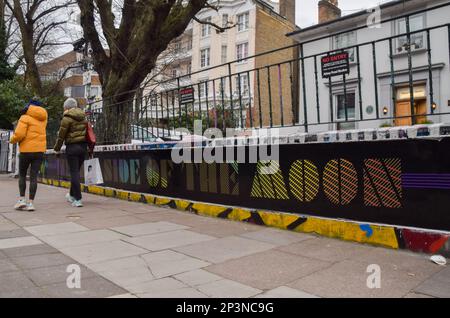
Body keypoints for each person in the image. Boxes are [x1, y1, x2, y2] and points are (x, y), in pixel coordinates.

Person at [10, 99, 48, 211]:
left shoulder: (24, 117)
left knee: (22, 175)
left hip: (26, 151)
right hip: (39, 151)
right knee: (33, 176)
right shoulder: (44, 118)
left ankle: (22, 200)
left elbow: (19, 134)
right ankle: (31, 203)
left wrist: (12, 140)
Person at [54, 98, 87, 207]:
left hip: (72, 147)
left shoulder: (66, 118)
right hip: (83, 147)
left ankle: (78, 199)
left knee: (74, 173)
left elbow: (61, 136)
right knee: (76, 172)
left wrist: (57, 148)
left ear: (67, 107)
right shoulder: (83, 116)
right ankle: (72, 195)